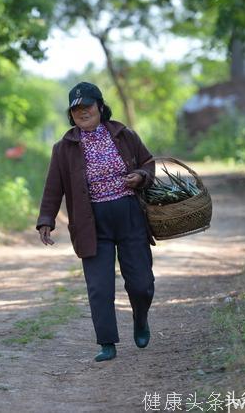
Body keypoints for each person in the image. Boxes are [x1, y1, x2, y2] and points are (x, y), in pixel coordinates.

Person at [37, 82, 156, 362]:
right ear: (71, 114)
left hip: (129, 216)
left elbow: (148, 162)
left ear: (100, 107)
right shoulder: (63, 148)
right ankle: (107, 343)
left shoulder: (124, 135)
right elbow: (53, 187)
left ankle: (140, 318)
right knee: (99, 287)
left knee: (141, 283)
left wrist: (140, 176)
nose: (82, 112)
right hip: (91, 223)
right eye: (76, 109)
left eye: (87, 106)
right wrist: (46, 220)